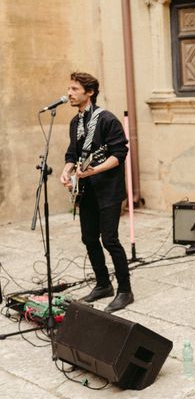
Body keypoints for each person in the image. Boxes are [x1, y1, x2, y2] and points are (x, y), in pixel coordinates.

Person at [60, 72, 134, 313]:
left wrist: (96, 170)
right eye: (69, 89)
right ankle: (103, 284)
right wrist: (66, 171)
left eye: (74, 89)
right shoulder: (75, 123)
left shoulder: (107, 120)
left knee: (110, 239)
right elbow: (73, 153)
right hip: (86, 190)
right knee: (89, 238)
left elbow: (119, 153)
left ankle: (125, 290)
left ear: (89, 92)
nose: (69, 94)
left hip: (108, 189)